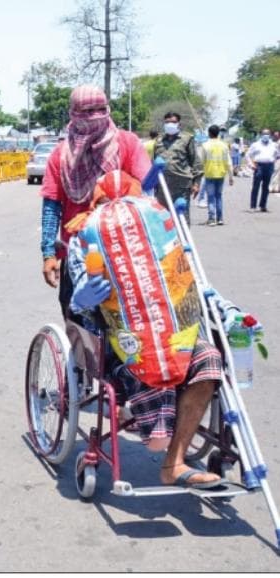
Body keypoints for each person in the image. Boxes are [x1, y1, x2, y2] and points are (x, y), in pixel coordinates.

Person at [65, 170, 240, 489]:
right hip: (121, 342)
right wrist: (83, 297)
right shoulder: (85, 239)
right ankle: (159, 429)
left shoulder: (159, 232)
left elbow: (191, 281)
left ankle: (174, 463)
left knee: (209, 358)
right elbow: (78, 298)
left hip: (176, 334)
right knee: (150, 365)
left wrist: (226, 309)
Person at [39, 85, 151, 319]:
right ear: (73, 114)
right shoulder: (61, 155)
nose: (94, 117)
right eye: (87, 111)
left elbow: (147, 192)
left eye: (99, 110)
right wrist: (49, 253)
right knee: (79, 322)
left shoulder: (127, 144)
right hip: (77, 254)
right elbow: (52, 205)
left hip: (126, 250)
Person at [151, 112, 203, 225]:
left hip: (182, 186)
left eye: (173, 122)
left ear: (179, 124)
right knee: (163, 218)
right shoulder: (159, 140)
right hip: (163, 186)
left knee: (182, 217)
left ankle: (183, 236)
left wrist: (196, 183)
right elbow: (154, 163)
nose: (170, 124)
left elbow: (195, 162)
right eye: (167, 122)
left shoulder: (187, 139)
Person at [200, 125, 233, 226]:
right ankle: (220, 219)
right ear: (218, 133)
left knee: (211, 197)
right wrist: (231, 177)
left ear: (209, 133)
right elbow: (229, 162)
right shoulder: (224, 145)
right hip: (221, 174)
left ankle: (211, 219)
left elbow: (202, 161)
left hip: (209, 174)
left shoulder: (205, 145)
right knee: (218, 196)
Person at [245, 128, 278, 212]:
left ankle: (263, 206)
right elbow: (247, 155)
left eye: (267, 134)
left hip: (269, 166)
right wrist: (251, 165)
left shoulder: (274, 145)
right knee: (256, 186)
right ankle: (253, 206)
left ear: (270, 135)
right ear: (261, 135)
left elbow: (277, 154)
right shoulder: (255, 144)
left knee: (266, 187)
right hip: (259, 166)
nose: (266, 135)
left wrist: (273, 160)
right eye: (264, 134)